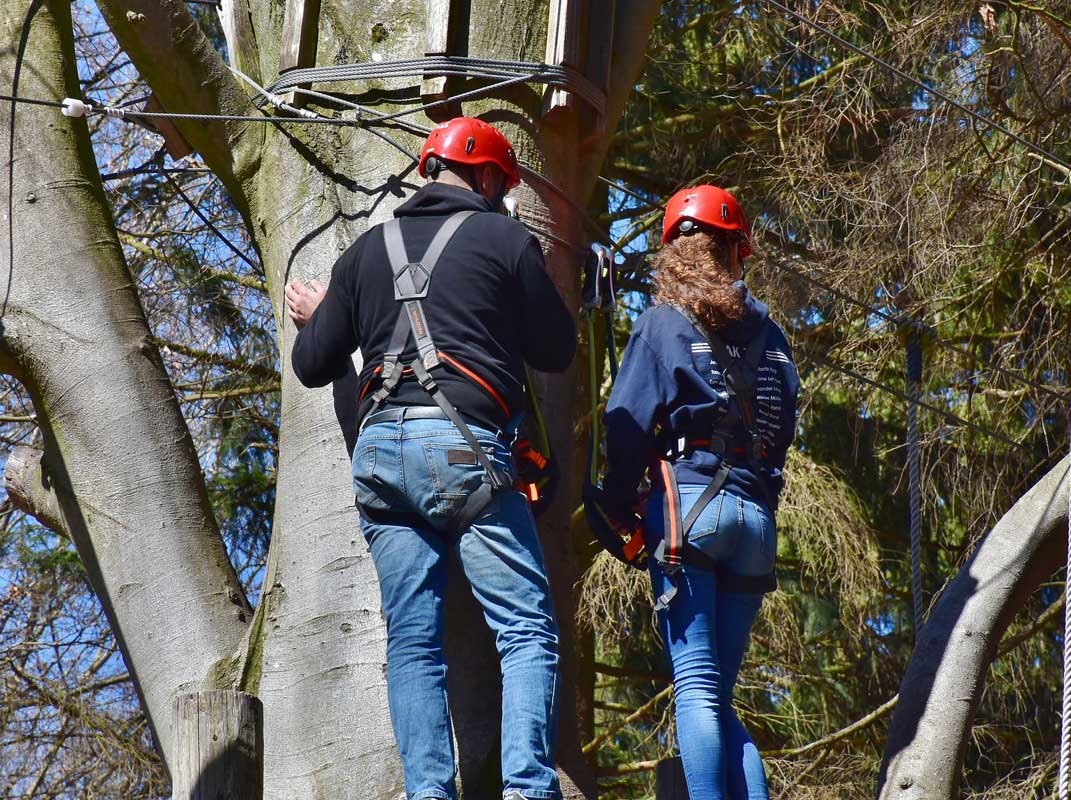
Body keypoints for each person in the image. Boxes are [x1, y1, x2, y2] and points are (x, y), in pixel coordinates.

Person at [287, 117, 574, 800]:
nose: (501, 198)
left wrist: (329, 314)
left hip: (382, 452)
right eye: (500, 186)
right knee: (528, 629)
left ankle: (428, 793)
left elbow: (313, 362)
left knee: (413, 641)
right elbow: (556, 350)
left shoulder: (363, 253)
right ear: (484, 177)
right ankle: (529, 791)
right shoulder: (505, 239)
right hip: (463, 447)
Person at [597, 185, 799, 800]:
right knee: (716, 694)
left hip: (690, 516)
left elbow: (624, 419)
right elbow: (783, 425)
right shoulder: (775, 340)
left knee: (696, 689)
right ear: (736, 250)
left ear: (673, 252)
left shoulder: (663, 324)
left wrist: (615, 497)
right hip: (754, 520)